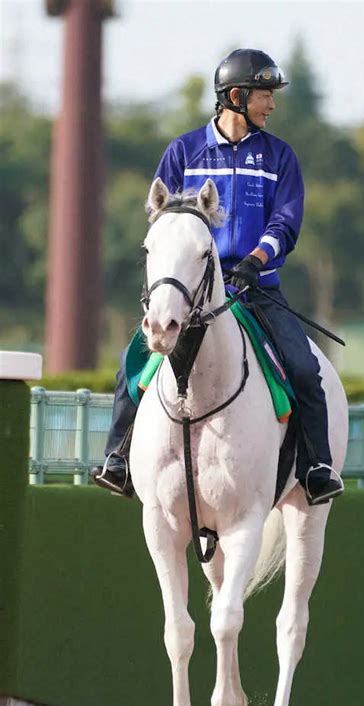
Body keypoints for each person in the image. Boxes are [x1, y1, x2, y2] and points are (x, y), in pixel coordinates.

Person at [92, 48, 344, 505]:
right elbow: (161, 216)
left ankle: (316, 467)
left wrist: (256, 258)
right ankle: (118, 458)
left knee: (306, 370)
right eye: (265, 95)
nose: (271, 105)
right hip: (189, 290)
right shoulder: (183, 152)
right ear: (236, 96)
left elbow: (285, 221)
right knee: (132, 365)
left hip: (257, 286)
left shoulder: (279, 157)